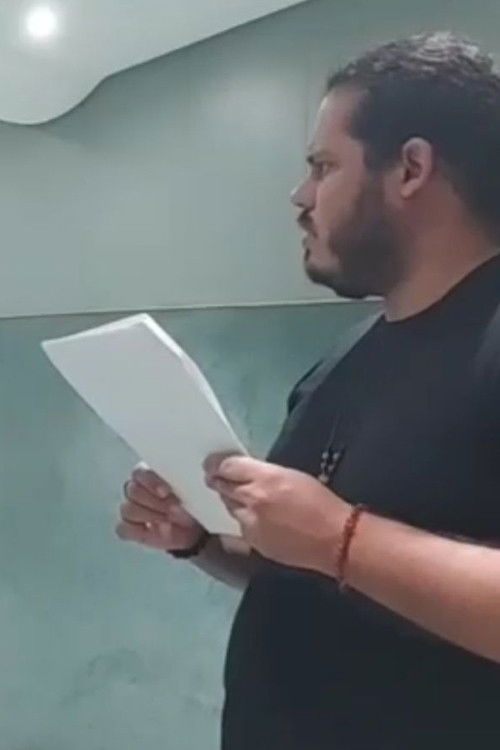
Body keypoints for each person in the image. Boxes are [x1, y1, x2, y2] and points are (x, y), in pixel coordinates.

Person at [116, 32, 500, 749]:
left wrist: (338, 536)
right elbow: (313, 575)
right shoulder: (348, 355)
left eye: (323, 166)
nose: (300, 196)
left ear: (411, 168)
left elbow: (333, 548)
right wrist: (200, 539)